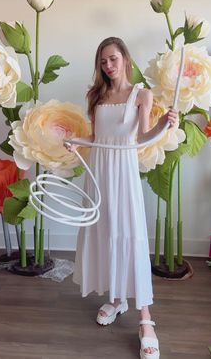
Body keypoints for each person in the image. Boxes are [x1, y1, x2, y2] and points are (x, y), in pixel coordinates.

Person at [64, 37, 177, 359]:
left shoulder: (141, 94)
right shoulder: (96, 94)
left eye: (113, 59)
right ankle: (117, 298)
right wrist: (74, 141)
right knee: (105, 235)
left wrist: (162, 124)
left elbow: (141, 138)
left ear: (125, 59)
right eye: (103, 61)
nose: (109, 66)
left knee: (130, 238)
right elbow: (97, 137)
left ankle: (145, 321)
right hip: (98, 174)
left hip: (123, 175)